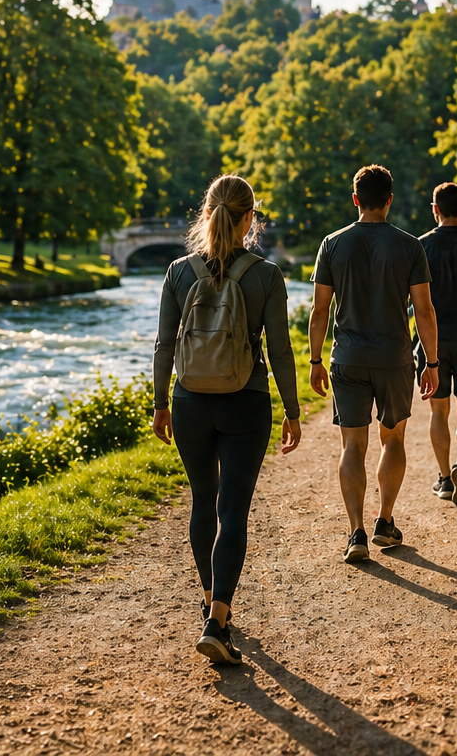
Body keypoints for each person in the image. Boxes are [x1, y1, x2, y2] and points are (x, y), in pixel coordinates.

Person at [152, 174, 301, 665]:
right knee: (232, 511)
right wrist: (292, 411)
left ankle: (212, 604)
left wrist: (160, 403)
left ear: (207, 212)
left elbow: (165, 345)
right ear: (248, 219)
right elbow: (279, 350)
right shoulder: (266, 275)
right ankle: (218, 616)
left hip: (191, 401)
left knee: (203, 502)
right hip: (246, 401)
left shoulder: (177, 272)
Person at [309, 165, 439, 563]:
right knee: (393, 439)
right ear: (389, 200)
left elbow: (319, 311)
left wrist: (314, 360)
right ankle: (385, 519)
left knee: (353, 443)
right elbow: (424, 310)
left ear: (355, 199)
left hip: (347, 358)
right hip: (394, 357)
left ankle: (356, 533)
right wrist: (431, 361)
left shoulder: (332, 244)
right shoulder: (409, 246)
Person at [418, 182, 457, 507]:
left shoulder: (421, 246)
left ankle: (444, 478)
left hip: (432, 340)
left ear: (435, 209)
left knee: (438, 410)